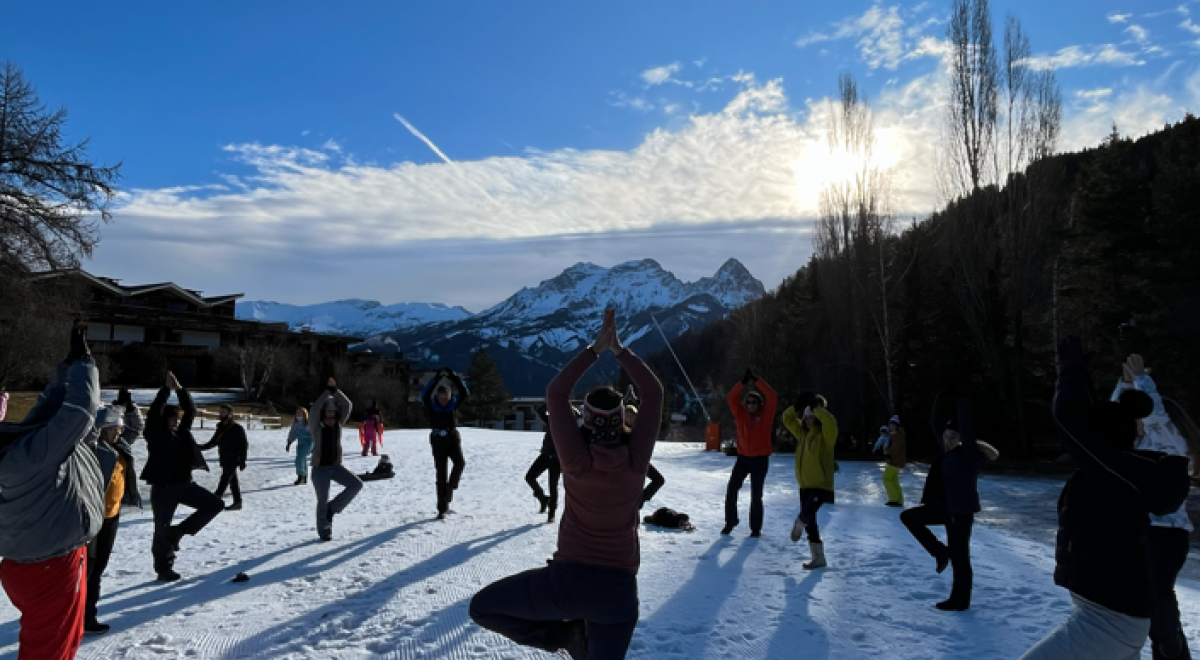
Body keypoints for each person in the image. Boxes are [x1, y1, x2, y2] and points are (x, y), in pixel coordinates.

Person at [470, 308, 663, 659]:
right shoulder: (637, 460)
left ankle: (566, 637)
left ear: (585, 422)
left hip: (565, 586)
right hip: (618, 599)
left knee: (483, 608)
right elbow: (653, 392)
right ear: (622, 421)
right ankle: (573, 637)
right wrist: (621, 351)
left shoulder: (575, 459)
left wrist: (597, 349)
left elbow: (556, 392)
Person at [1019, 337, 1190, 659]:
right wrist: (1119, 385)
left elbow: (1074, 421)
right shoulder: (1116, 468)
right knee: (1160, 604)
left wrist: (1071, 371)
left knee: (1163, 606)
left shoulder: (1118, 471)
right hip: (1113, 612)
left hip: (1111, 618)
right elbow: (1107, 421)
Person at [0, 326, 104, 659]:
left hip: (31, 562)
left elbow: (46, 414)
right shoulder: (26, 459)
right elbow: (80, 412)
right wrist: (84, 365)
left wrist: (66, 371)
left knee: (49, 641)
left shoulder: (15, 448)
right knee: (50, 650)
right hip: (50, 568)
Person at [1110, 354, 1195, 660]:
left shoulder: (1171, 442)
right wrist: (1125, 386)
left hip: (1166, 536)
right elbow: (1113, 419)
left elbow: (1154, 416)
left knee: (1157, 599)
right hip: (1143, 533)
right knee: (1150, 601)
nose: (1135, 420)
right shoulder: (1137, 447)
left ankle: (1172, 655)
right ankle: (1173, 655)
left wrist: (1142, 383)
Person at [899, 397, 987, 611]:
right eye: (946, 436)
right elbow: (936, 424)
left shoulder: (969, 455)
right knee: (909, 517)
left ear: (962, 438)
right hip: (945, 508)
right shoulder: (946, 455)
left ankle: (960, 600)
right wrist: (939, 399)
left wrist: (962, 403)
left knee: (960, 558)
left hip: (961, 511)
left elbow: (965, 428)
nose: (948, 440)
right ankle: (939, 551)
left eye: (953, 437)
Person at [142, 371, 224, 582]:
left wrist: (180, 390)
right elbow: (154, 411)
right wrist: (165, 390)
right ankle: (163, 567)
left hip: (185, 484)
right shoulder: (155, 433)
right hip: (164, 487)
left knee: (215, 504)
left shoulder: (182, 432)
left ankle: (177, 533)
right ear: (164, 418)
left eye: (177, 418)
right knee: (161, 526)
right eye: (172, 418)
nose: (176, 421)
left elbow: (191, 410)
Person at [85, 397, 144, 635]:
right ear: (101, 429)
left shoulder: (121, 446)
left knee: (98, 569)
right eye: (113, 429)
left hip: (112, 516)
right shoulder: (92, 448)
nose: (119, 432)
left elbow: (136, 427)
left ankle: (88, 616)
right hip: (90, 519)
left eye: (120, 428)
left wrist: (130, 408)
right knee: (86, 571)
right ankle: (77, 617)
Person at [782, 393, 838, 569]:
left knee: (806, 516)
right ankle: (818, 557)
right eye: (806, 418)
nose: (808, 421)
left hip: (821, 485)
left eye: (812, 417)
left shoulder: (826, 436)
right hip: (805, 484)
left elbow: (831, 422)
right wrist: (796, 406)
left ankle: (799, 523)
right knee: (811, 523)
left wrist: (817, 409)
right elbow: (787, 419)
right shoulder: (802, 435)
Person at [722, 368, 778, 537]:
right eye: (749, 402)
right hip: (743, 459)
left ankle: (755, 529)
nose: (751, 405)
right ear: (745, 404)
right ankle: (731, 521)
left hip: (760, 460)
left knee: (756, 495)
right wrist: (743, 383)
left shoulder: (766, 415)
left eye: (754, 402)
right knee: (732, 489)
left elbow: (773, 396)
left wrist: (758, 381)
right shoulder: (740, 414)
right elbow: (731, 398)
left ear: (759, 404)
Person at [307, 378, 362, 541]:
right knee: (322, 500)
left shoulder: (338, 424)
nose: (330, 415)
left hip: (336, 467)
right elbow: (315, 409)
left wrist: (335, 391)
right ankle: (324, 530)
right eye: (327, 412)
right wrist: (327, 392)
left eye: (332, 412)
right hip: (320, 470)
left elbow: (348, 405)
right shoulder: (316, 425)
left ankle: (333, 508)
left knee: (356, 484)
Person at [421, 367, 470, 519]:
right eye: (441, 396)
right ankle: (442, 506)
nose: (444, 399)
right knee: (441, 473)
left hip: (452, 438)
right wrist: (436, 379)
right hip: (437, 441)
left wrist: (454, 377)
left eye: (446, 396)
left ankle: (450, 489)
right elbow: (424, 395)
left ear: (450, 396)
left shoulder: (453, 404)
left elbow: (464, 392)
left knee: (460, 463)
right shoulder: (432, 405)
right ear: (438, 396)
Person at [199, 403, 249, 511]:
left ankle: (214, 502)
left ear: (230, 414)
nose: (221, 414)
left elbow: (244, 445)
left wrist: (242, 461)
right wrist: (198, 447)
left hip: (233, 459)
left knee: (224, 481)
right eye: (220, 412)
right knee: (232, 480)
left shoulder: (237, 428)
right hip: (224, 458)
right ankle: (238, 502)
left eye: (223, 412)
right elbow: (213, 442)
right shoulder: (220, 427)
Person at [525, 405, 564, 523]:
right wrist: (551, 403)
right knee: (529, 477)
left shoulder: (569, 426)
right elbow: (541, 410)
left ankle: (551, 512)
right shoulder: (552, 421)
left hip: (557, 460)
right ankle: (542, 498)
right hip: (545, 455)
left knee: (553, 486)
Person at [624, 404, 665, 506]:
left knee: (658, 480)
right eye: (627, 416)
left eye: (631, 416)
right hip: (626, 461)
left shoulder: (640, 428)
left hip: (640, 460)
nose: (629, 418)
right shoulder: (620, 430)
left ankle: (640, 501)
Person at [883, 415, 907, 506]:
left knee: (886, 478)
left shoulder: (898, 436)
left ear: (897, 426)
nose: (891, 426)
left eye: (893, 425)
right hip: (896, 461)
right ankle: (899, 500)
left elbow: (895, 449)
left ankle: (894, 499)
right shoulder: (895, 435)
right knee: (893, 480)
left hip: (895, 461)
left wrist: (887, 451)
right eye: (890, 424)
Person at [285, 407, 313, 485]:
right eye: (297, 413)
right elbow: (292, 434)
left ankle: (300, 476)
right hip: (300, 443)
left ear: (304, 414)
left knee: (299, 459)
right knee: (302, 459)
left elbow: (314, 434)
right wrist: (289, 443)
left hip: (308, 443)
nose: (299, 415)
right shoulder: (295, 424)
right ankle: (304, 476)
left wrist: (315, 446)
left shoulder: (308, 423)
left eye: (300, 413)